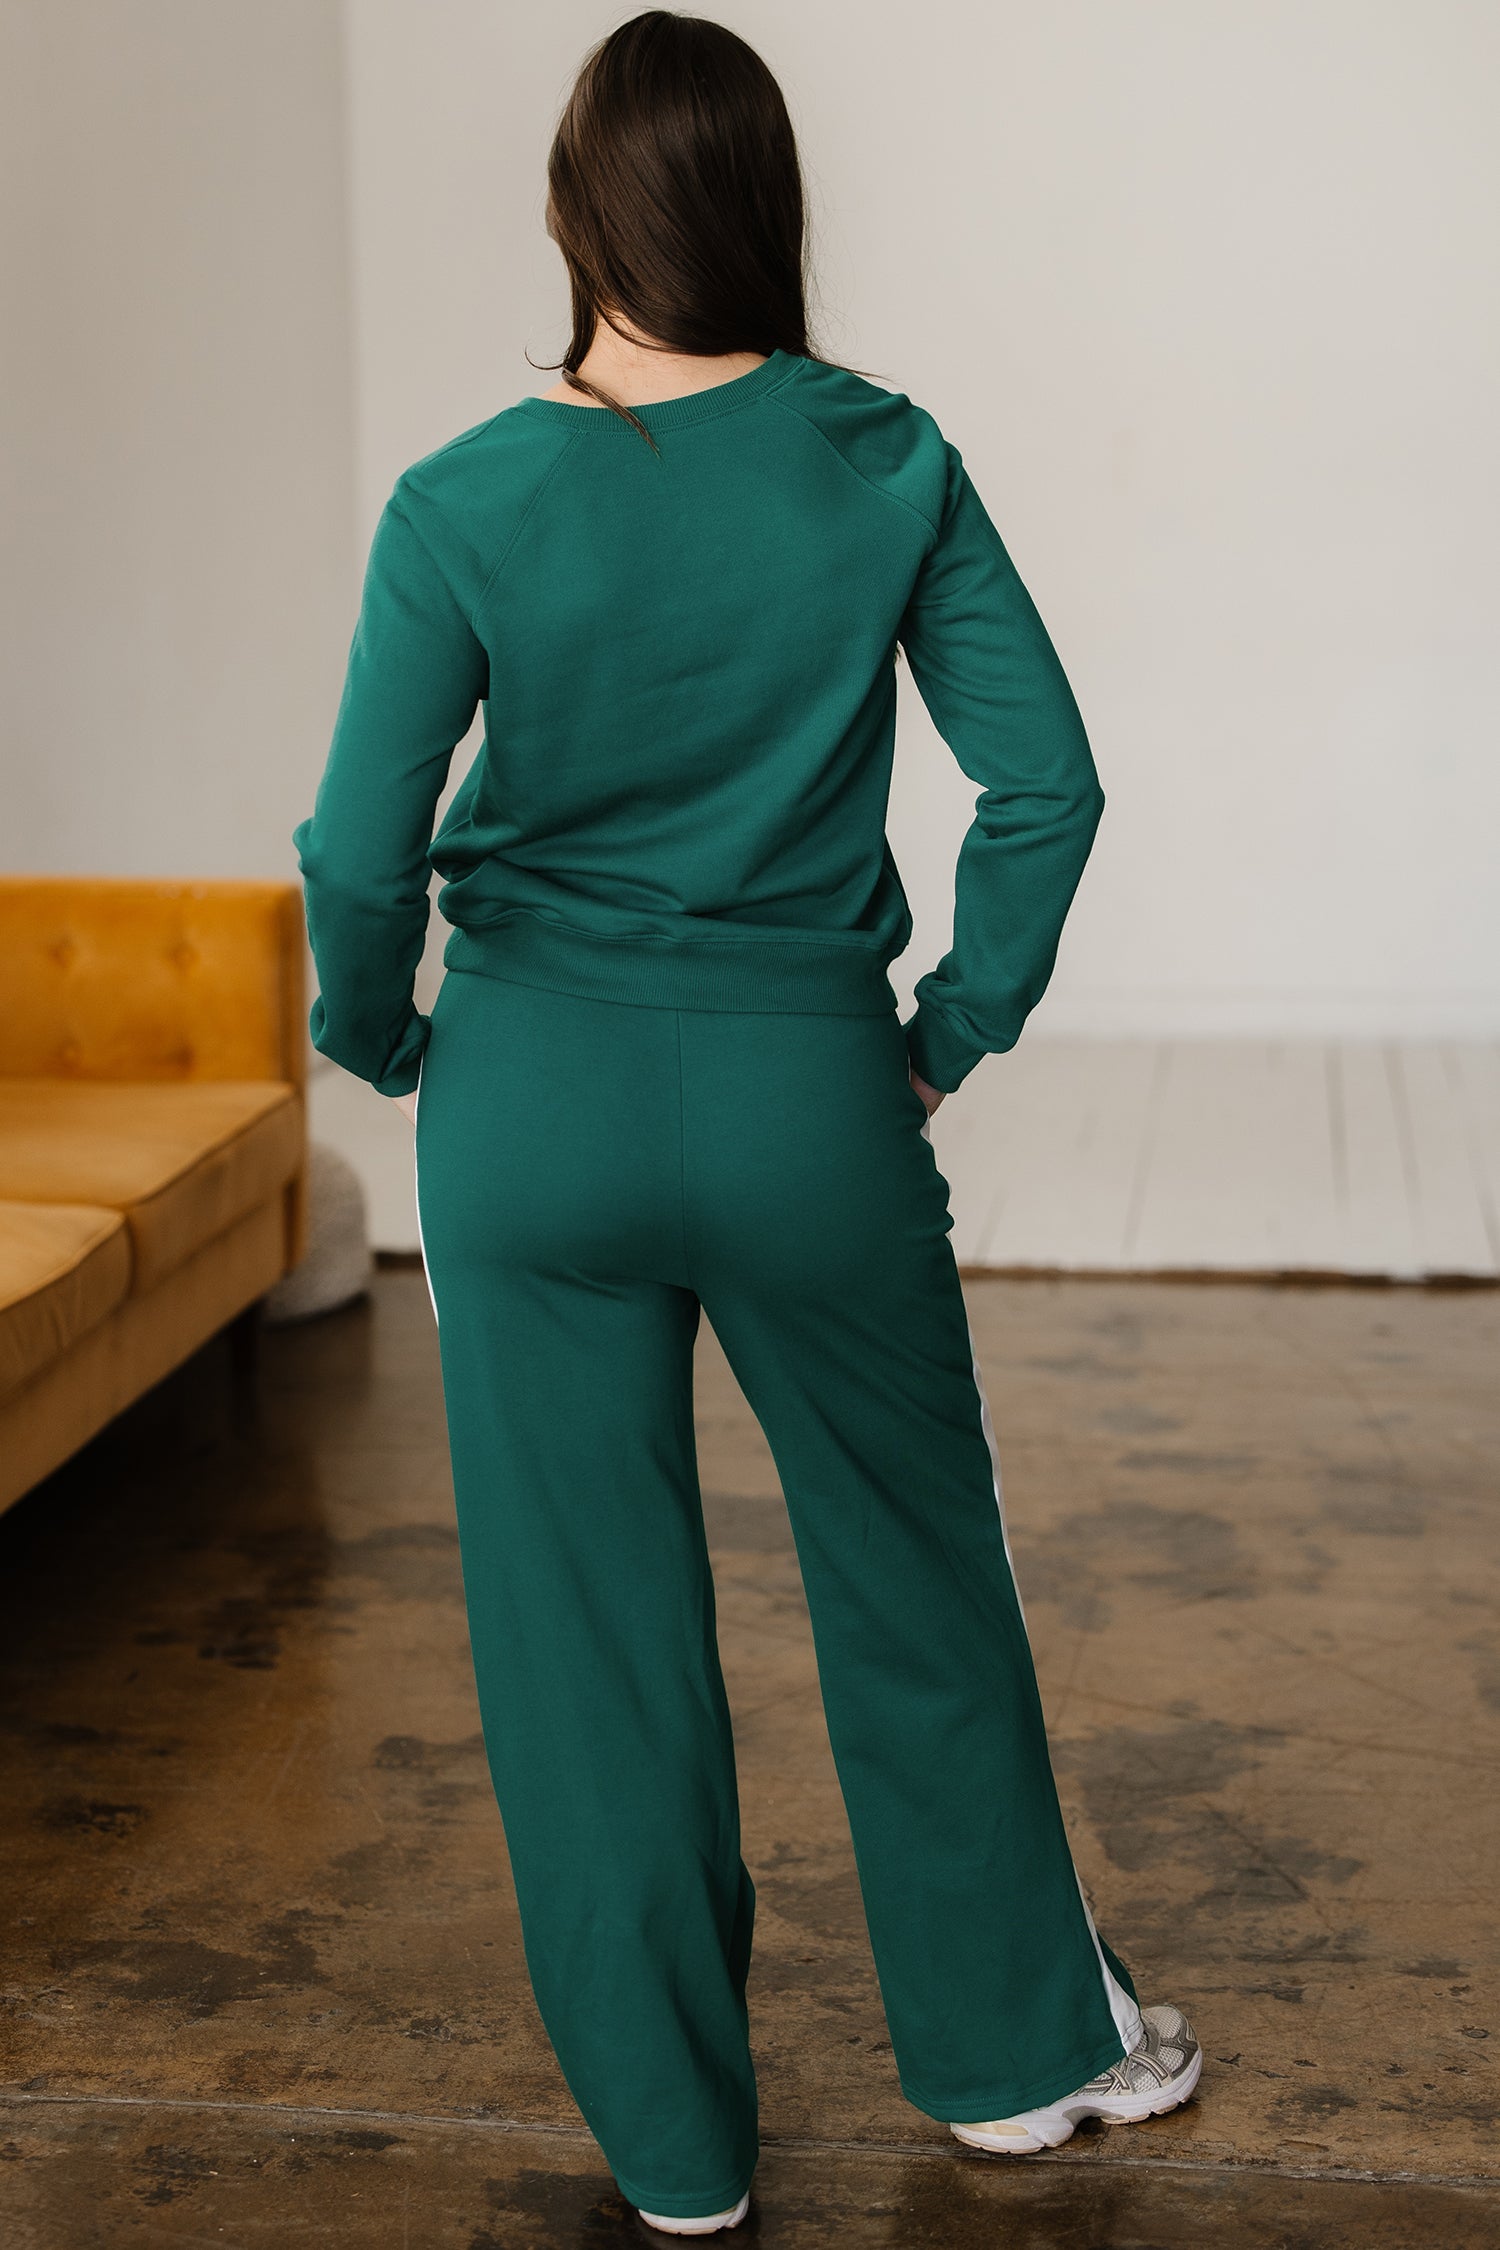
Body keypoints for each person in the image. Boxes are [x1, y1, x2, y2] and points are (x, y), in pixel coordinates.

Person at [292, 10, 1201, 2235]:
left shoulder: (460, 499)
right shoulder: (883, 457)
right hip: (807, 1096)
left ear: (570, 215)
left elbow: (355, 848)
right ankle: (1020, 2062)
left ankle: (680, 2158)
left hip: (530, 1109)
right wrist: (949, 1029)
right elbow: (1048, 785)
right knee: (914, 1562)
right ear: (768, 211)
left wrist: (385, 1041)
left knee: (585, 1636)